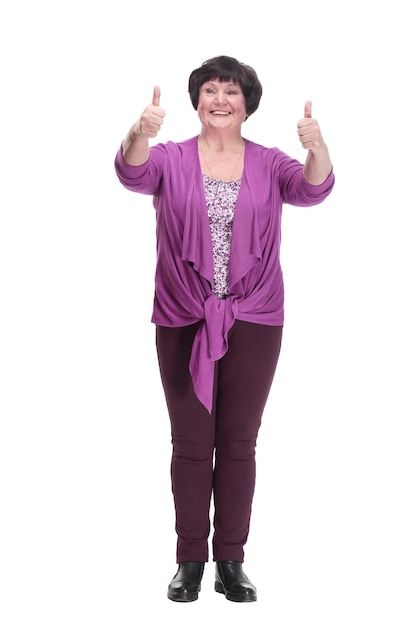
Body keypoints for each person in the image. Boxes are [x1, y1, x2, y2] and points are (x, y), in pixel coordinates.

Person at [114, 55, 335, 603]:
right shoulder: (168, 157)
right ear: (196, 101)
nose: (219, 99)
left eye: (230, 91)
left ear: (247, 103)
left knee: (239, 443)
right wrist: (138, 131)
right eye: (210, 90)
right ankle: (189, 560)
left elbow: (312, 189)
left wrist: (317, 147)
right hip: (184, 314)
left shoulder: (268, 162)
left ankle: (231, 562)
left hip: (256, 315)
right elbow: (131, 171)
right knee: (191, 443)